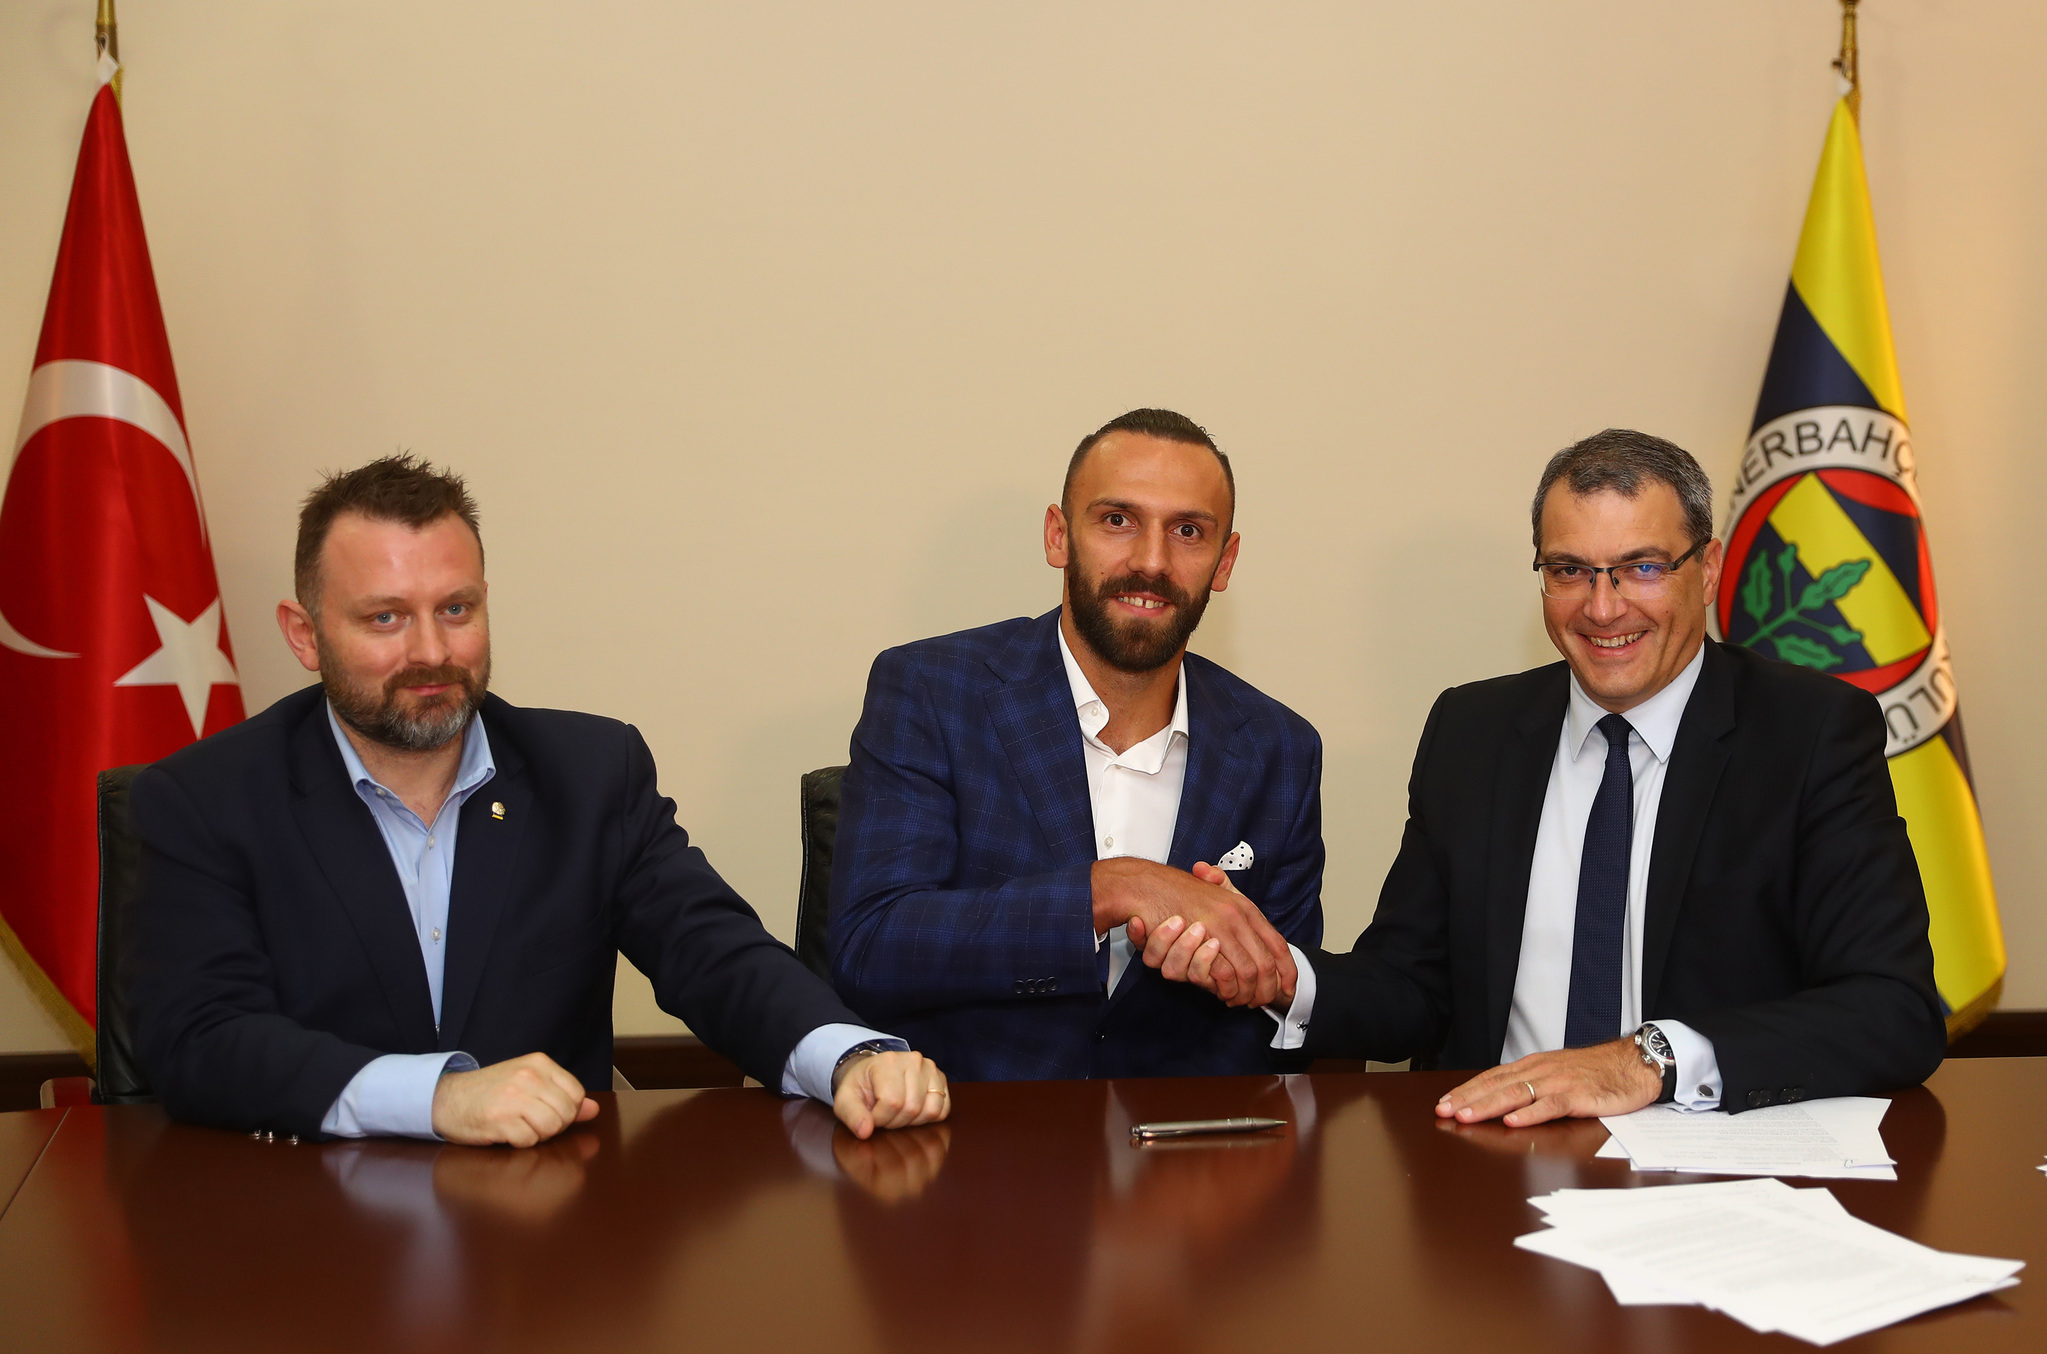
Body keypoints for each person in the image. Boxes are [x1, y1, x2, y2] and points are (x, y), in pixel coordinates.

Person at [126, 455, 949, 1145]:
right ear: (304, 634)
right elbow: (200, 1037)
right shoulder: (204, 799)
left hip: (548, 1222)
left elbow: (712, 953)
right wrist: (436, 1097)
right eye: (385, 618)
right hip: (303, 1226)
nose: (431, 651)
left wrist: (847, 1056)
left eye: (456, 609)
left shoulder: (587, 772)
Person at [1138, 428, 1945, 1119]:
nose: (1602, 608)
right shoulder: (1474, 732)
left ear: (1706, 569)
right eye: (1569, 570)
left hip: (1711, 1172)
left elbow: (1892, 1009)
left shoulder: (1806, 734)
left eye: (1640, 568)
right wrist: (1278, 974)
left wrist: (1646, 1060)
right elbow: (1412, 989)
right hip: (1493, 1167)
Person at [829, 408, 1324, 1081]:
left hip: (1189, 1135)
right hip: (967, 1128)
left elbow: (1278, 1003)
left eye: (1187, 531)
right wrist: (1111, 888)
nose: (1151, 561)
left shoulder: (1279, 749)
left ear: (1225, 560)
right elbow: (871, 947)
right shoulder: (931, 691)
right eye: (1117, 520)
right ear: (1058, 536)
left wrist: (1243, 976)